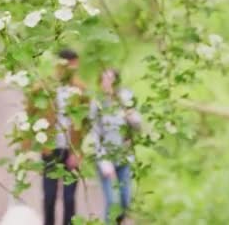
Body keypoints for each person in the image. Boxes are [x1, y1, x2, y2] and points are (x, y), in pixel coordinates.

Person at [25, 49, 88, 225]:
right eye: (72, 66)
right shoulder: (43, 87)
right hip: (50, 150)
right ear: (61, 65)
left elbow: (86, 123)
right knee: (50, 196)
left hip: (71, 150)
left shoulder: (81, 89)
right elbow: (29, 116)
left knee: (69, 198)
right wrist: (29, 148)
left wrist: (79, 152)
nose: (75, 70)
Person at [89, 68, 142, 224]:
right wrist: (103, 162)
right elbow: (94, 133)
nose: (107, 82)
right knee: (112, 202)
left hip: (124, 157)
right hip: (105, 158)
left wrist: (131, 115)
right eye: (104, 79)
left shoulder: (126, 98)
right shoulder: (97, 103)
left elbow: (138, 126)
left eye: (110, 79)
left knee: (125, 201)